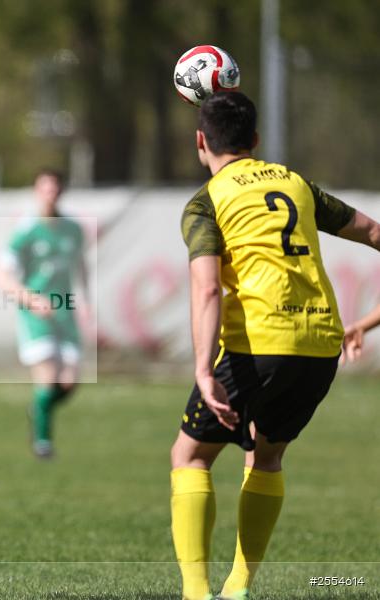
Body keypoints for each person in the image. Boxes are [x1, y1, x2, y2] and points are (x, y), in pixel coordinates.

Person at [170, 91, 380, 600]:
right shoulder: (296, 183)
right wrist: (368, 323)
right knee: (265, 457)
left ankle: (198, 595)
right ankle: (239, 589)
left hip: (256, 345)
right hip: (318, 343)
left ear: (201, 141)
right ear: (256, 140)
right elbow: (374, 230)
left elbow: (205, 288)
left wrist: (202, 367)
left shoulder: (206, 202)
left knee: (190, 458)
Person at [0, 169, 90, 458]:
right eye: (45, 189)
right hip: (35, 314)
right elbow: (2, 276)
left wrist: (86, 303)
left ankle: (38, 407)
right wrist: (32, 300)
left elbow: (81, 267)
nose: (50, 194)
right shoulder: (26, 229)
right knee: (48, 378)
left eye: (55, 189)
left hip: (65, 310)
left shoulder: (73, 229)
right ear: (37, 191)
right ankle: (43, 442)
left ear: (61, 191)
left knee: (69, 383)